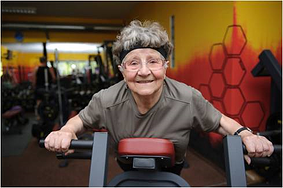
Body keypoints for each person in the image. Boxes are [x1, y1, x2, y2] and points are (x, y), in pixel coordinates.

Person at [44, 20, 274, 175]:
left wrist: (246, 135)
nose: (144, 71)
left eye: (153, 61)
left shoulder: (187, 97)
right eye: (133, 63)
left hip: (173, 173)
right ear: (121, 69)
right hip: (127, 173)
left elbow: (220, 121)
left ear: (165, 66)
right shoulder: (106, 100)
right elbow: (81, 121)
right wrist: (65, 131)